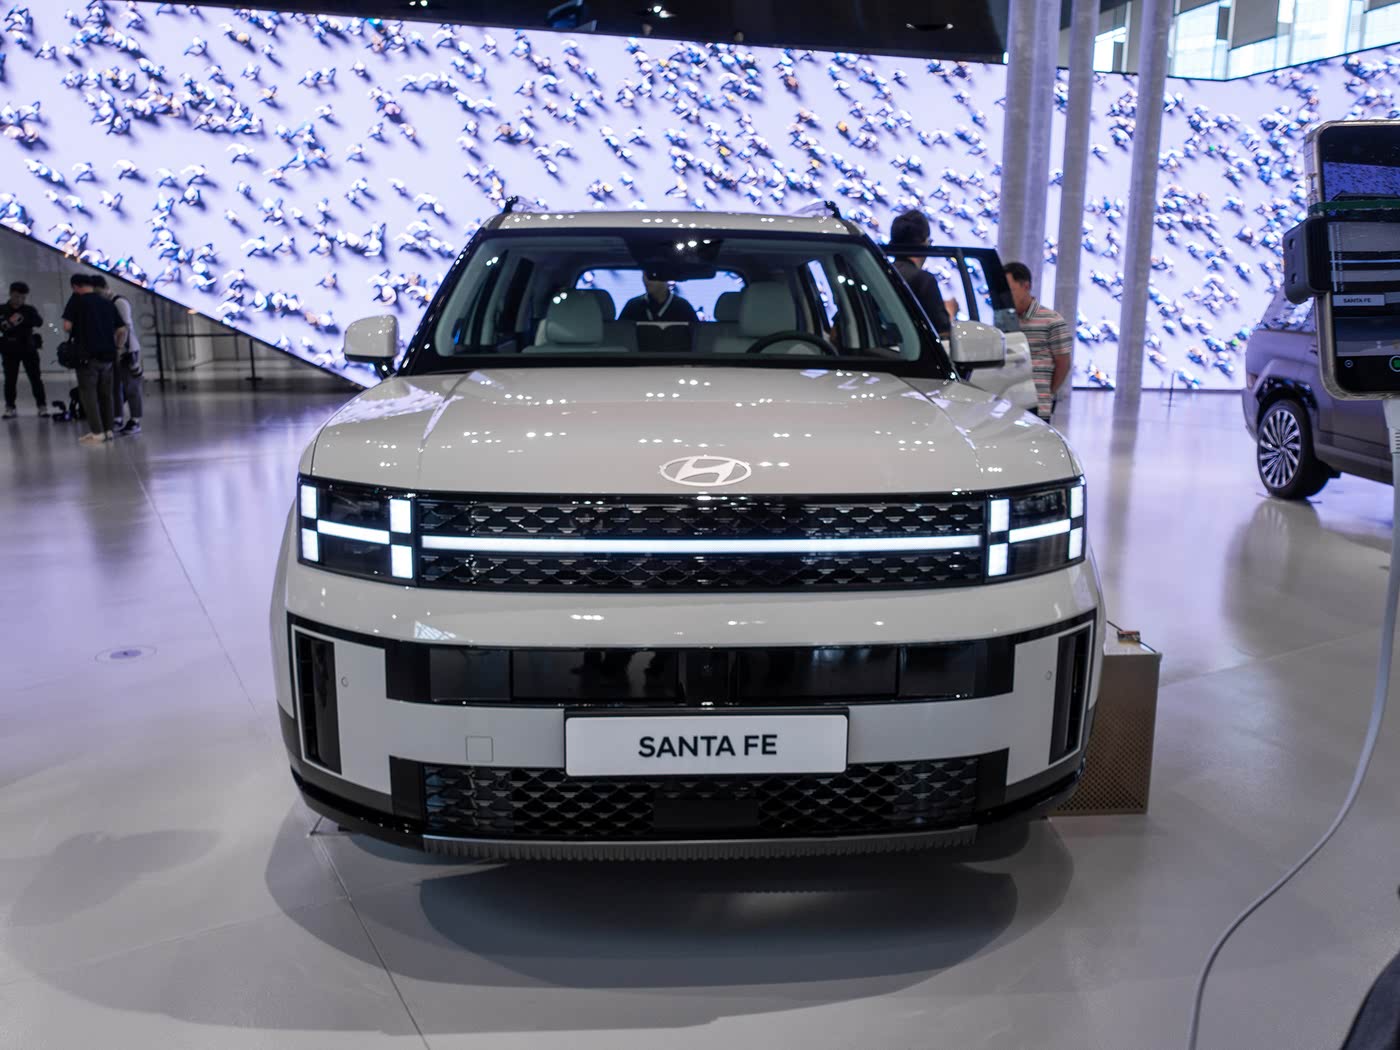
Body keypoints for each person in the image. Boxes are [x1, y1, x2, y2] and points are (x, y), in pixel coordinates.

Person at [62, 273, 126, 446]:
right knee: (107, 394)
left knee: (88, 394)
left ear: (75, 287)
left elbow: (67, 326)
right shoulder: (107, 303)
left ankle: (97, 432)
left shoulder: (77, 302)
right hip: (108, 355)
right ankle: (109, 430)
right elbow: (121, 330)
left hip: (87, 356)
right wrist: (118, 347)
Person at [1004, 261, 1072, 422]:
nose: (1007, 296)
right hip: (1008, 401)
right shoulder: (1005, 320)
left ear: (1026, 286)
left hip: (1038, 402)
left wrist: (1049, 393)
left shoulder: (1052, 320)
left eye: (1011, 290)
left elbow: (1063, 362)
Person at [888, 209, 954, 339]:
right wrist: (951, 311)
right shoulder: (924, 280)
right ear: (924, 244)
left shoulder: (880, 274)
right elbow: (942, 332)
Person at [90, 274, 142, 435]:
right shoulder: (104, 304)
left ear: (105, 288)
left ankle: (135, 420)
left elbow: (124, 329)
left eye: (98, 292)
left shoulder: (119, 302)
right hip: (114, 350)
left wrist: (120, 349)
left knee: (131, 386)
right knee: (114, 386)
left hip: (127, 350)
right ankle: (117, 417)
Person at [0, 281, 45, 419]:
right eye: (16, 296)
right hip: (9, 349)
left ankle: (42, 406)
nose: (19, 300)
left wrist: (25, 319)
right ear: (11, 294)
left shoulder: (29, 310)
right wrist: (8, 323)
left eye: (22, 297)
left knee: (35, 378)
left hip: (28, 348)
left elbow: (39, 322)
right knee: (10, 379)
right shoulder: (2, 309)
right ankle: (10, 407)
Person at [619, 274, 699, 323]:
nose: (646, 281)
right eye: (645, 275)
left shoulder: (683, 307)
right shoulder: (633, 306)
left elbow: (696, 338)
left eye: (652, 275)